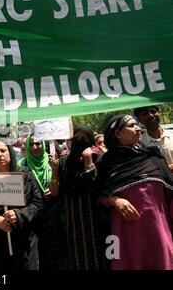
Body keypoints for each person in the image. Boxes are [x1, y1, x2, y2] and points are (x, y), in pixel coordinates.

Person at [96, 114, 173, 270]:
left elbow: (170, 195)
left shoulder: (153, 157)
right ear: (117, 133)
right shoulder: (106, 165)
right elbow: (98, 195)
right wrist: (114, 200)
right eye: (131, 126)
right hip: (125, 239)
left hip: (159, 233)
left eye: (137, 124)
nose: (138, 128)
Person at [0, 140, 44, 270]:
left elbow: (37, 204)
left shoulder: (26, 175)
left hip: (25, 244)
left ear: (10, 152)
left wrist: (18, 214)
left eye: (3, 151)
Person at [50, 126, 109, 270]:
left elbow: (97, 188)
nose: (80, 141)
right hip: (73, 223)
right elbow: (55, 192)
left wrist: (88, 161)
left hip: (96, 220)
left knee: (100, 259)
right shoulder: (64, 162)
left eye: (84, 138)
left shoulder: (98, 159)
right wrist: (55, 171)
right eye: (76, 137)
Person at [18, 134, 68, 270]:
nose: (35, 147)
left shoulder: (53, 162)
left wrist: (55, 172)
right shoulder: (21, 165)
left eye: (38, 143)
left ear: (44, 145)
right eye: (31, 144)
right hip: (32, 218)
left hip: (53, 217)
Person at [134, 105, 173, 171]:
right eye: (145, 114)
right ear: (139, 120)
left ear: (159, 114)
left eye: (153, 111)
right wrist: (167, 170)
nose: (151, 115)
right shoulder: (140, 145)